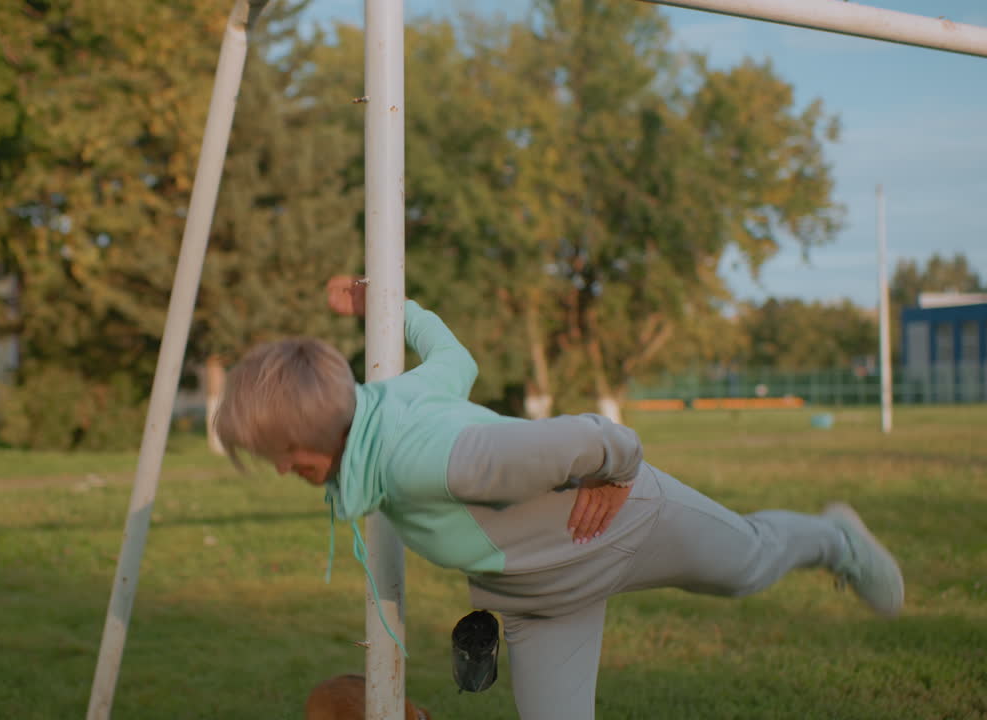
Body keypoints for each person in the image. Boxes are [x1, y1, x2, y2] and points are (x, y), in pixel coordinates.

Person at [213, 275, 904, 720]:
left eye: (281, 456)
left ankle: (836, 540)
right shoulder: (389, 405)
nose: (279, 470)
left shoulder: (431, 461)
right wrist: (388, 306)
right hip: (540, 605)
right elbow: (456, 359)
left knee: (748, 566)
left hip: (625, 527)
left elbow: (586, 436)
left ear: (319, 435)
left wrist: (618, 470)